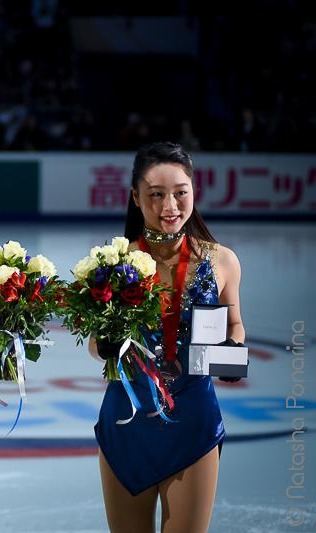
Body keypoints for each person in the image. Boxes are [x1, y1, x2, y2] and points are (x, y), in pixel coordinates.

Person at [91, 141, 245, 533]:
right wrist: (104, 345)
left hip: (193, 418)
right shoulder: (113, 260)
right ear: (135, 198)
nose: (170, 206)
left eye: (180, 193)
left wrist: (233, 350)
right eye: (156, 195)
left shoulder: (221, 260)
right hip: (127, 417)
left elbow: (235, 325)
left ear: (194, 191)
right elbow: (96, 342)